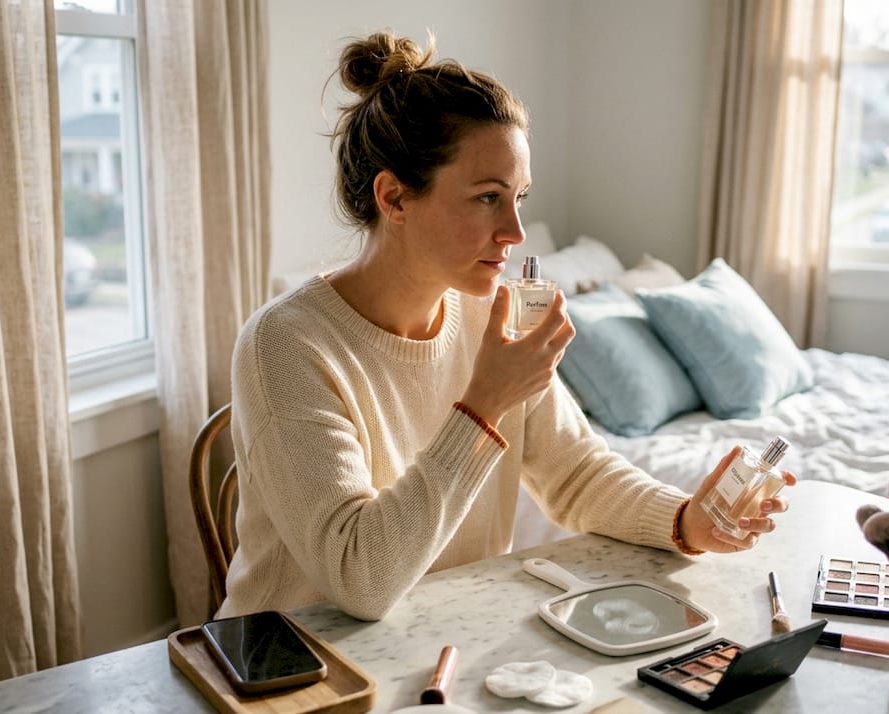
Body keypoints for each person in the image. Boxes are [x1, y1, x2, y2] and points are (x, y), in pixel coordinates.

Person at [217, 31, 794, 621]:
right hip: (294, 676)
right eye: (488, 197)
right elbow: (360, 577)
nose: (516, 231)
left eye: (519, 196)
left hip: (441, 642)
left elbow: (575, 472)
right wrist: (484, 404)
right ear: (394, 197)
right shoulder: (286, 344)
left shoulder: (490, 314)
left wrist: (685, 520)